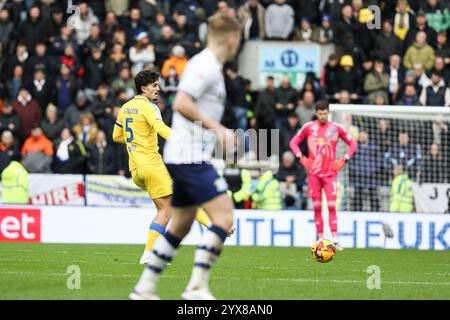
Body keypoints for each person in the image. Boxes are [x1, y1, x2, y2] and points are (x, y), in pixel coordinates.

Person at [130, 13, 241, 300]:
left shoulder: (209, 65)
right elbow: (181, 103)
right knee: (224, 217)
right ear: (231, 40)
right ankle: (196, 287)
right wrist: (218, 129)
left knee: (181, 223)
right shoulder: (205, 65)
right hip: (189, 156)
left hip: (185, 155)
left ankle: (144, 288)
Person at [112, 70, 212, 266]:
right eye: (155, 85)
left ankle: (212, 225)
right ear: (144, 88)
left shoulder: (125, 107)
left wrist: (137, 141)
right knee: (167, 210)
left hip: (136, 169)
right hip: (151, 164)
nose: (158, 89)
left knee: (172, 204)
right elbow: (160, 128)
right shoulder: (149, 108)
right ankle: (149, 253)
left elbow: (116, 135)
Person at [289, 101, 358, 250]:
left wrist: (343, 160)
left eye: (325, 113)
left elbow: (353, 144)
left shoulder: (336, 128)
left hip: (330, 174)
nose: (322, 116)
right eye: (320, 113)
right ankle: (320, 240)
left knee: (332, 206)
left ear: (328, 112)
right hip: (313, 174)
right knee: (317, 207)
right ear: (316, 113)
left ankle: (335, 239)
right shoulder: (308, 127)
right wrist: (302, 158)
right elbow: (293, 143)